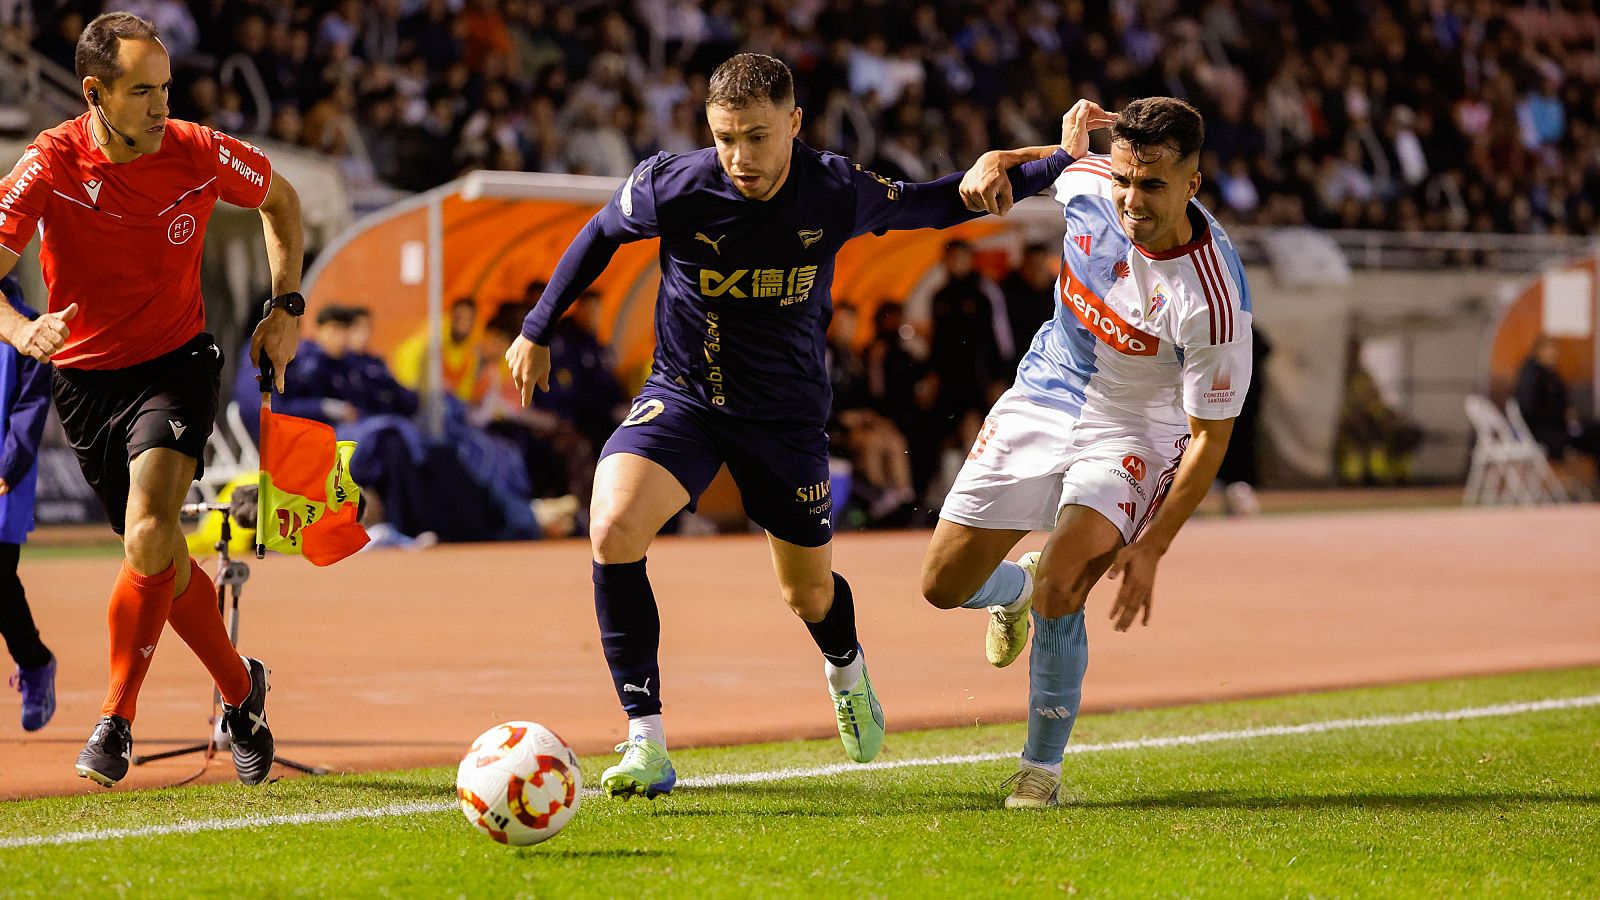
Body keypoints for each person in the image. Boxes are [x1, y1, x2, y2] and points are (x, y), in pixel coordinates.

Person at [506, 52, 1075, 800]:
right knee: (612, 527)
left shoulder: (834, 188)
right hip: (684, 397)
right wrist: (537, 328)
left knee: (807, 597)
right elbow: (598, 235)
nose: (740, 157)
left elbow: (936, 204)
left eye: (757, 137)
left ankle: (846, 669)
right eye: (724, 137)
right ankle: (646, 740)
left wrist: (1057, 163)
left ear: (794, 125)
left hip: (784, 419)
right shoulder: (672, 184)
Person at [919, 97, 1254, 809]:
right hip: (1046, 389)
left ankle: (1040, 770)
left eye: (1153, 185)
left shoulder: (1215, 300)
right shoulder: (1093, 179)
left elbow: (1209, 437)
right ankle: (1013, 590)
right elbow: (1046, 164)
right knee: (941, 585)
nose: (1131, 199)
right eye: (1126, 180)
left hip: (1133, 427)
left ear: (1193, 183)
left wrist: (1155, 544)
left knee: (1065, 587)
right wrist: (996, 162)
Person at [0, 12, 303, 787]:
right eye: (142, 92)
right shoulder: (50, 163)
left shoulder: (199, 152)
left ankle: (115, 720)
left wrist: (285, 307)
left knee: (147, 530)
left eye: (166, 88)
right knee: (157, 556)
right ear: (94, 92)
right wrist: (16, 329)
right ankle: (243, 691)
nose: (161, 106)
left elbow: (284, 204)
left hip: (178, 364)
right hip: (84, 381)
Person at [0, 275, 56, 732]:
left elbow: (30, 405)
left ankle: (35, 663)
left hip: (3, 473)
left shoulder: (30, 328)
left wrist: (9, 465)